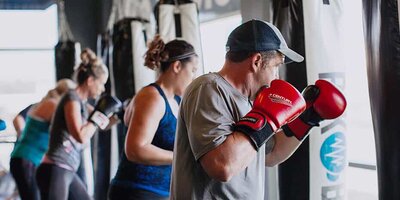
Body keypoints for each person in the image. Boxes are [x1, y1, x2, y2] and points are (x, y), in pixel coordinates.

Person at [170, 19, 347, 199]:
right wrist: (266, 118)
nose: (276, 77)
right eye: (276, 67)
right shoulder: (209, 88)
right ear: (256, 61)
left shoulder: (251, 102)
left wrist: (308, 116)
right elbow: (222, 165)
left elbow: (271, 153)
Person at [108, 35, 198, 200]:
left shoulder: (176, 100)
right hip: (136, 192)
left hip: (161, 192)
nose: (193, 77)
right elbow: (136, 149)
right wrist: (182, 158)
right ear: (177, 66)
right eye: (192, 70)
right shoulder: (152, 97)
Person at [35, 48, 122, 200]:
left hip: (66, 170)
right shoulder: (71, 98)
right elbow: (81, 135)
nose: (102, 90)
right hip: (55, 168)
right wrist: (98, 116)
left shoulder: (80, 103)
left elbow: (103, 125)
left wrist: (121, 114)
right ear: (90, 81)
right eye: (101, 84)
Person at [9, 79, 76, 200]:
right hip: (27, 159)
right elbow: (71, 130)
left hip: (25, 159)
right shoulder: (52, 104)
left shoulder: (43, 103)